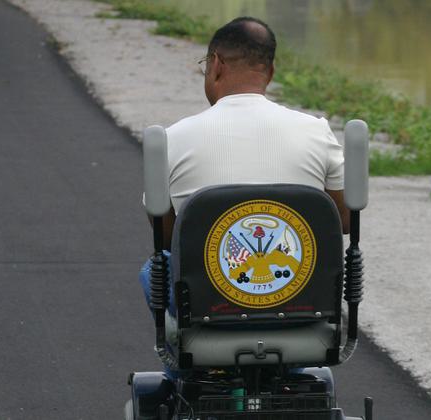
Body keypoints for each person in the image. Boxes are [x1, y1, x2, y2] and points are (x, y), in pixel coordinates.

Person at [139, 16, 348, 319]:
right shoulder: (317, 131)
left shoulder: (171, 139)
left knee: (154, 268)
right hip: (300, 304)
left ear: (216, 64)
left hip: (209, 307)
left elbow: (168, 239)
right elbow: (342, 222)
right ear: (271, 72)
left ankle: (183, 365)